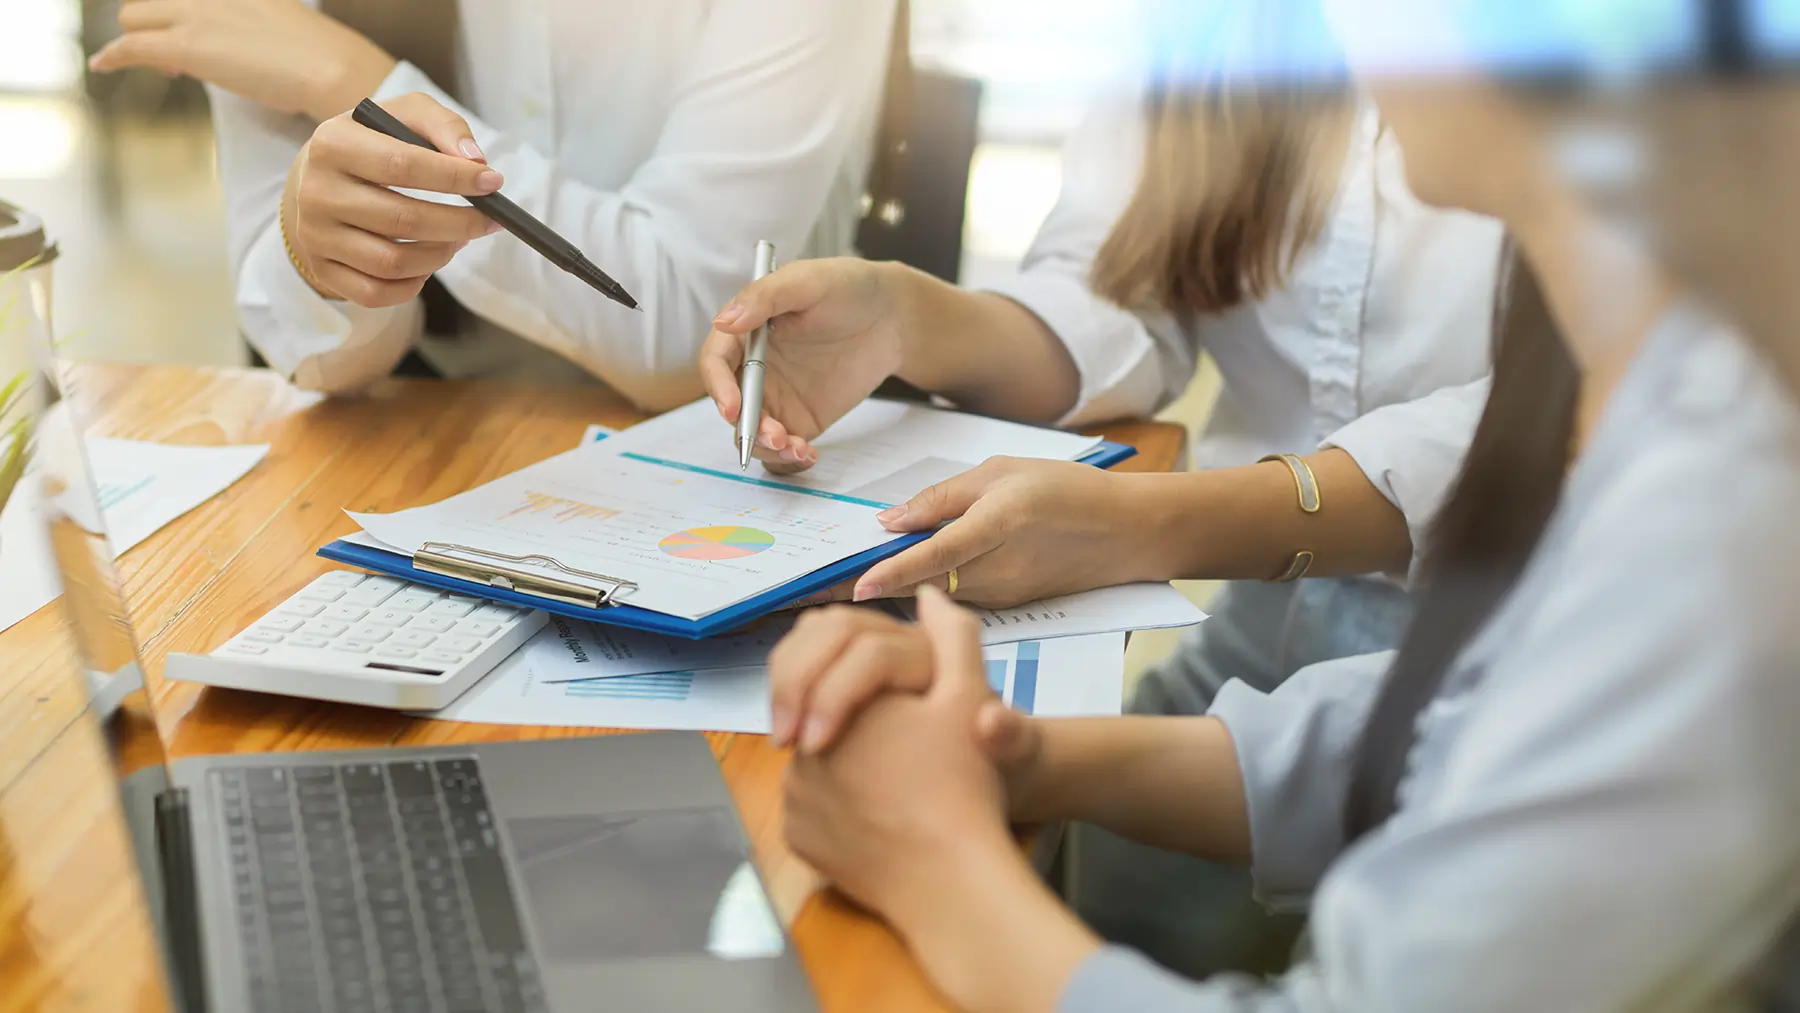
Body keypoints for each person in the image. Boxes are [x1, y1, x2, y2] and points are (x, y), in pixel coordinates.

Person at [759, 5, 1800, 1011]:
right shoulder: (1673, 385)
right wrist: (1020, 752)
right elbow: (1457, 720)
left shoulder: (1713, 521)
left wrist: (939, 862)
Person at [702, 2, 1501, 974]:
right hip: (1270, 637)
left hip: (1513, 619)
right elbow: (1123, 288)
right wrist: (909, 318)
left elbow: (1578, 421)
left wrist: (1144, 525)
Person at [89, 0, 898, 405]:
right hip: (418, 442)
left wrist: (346, 79)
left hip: (740, 449)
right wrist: (328, 258)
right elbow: (306, 348)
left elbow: (694, 321)